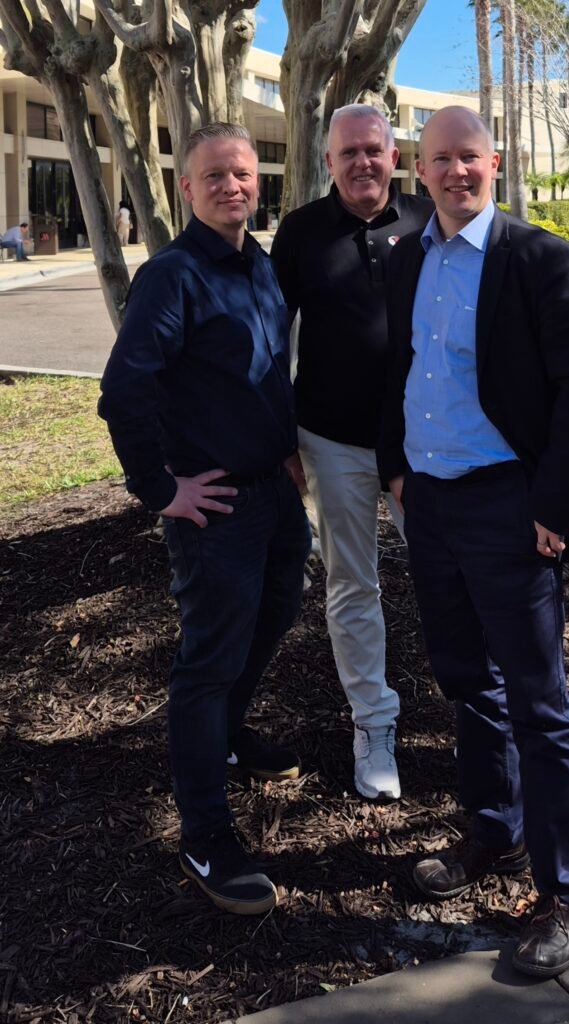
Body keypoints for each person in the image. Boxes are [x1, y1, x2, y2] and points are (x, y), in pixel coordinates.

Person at [378, 106, 569, 977]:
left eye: (468, 157)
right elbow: (396, 367)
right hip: (430, 506)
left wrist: (553, 504)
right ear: (419, 170)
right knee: (465, 682)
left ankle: (565, 890)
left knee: (535, 701)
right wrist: (395, 471)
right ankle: (494, 835)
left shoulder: (537, 257)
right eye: (439, 159)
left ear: (495, 162)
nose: (455, 172)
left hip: (509, 508)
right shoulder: (406, 259)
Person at [99, 123, 311, 916]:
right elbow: (124, 392)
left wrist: (287, 446)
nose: (232, 185)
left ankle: (226, 732)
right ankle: (204, 835)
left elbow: (266, 370)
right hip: (214, 509)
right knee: (208, 662)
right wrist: (160, 491)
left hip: (274, 493)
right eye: (214, 175)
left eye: (243, 173)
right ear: (186, 189)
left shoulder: (261, 264)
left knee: (275, 617)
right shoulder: (172, 276)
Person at [271, 105, 432, 801]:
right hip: (331, 440)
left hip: (424, 444)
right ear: (328, 161)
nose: (362, 162)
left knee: (449, 574)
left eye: (373, 149)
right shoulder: (301, 232)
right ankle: (373, 724)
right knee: (352, 587)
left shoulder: (429, 219)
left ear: (394, 155)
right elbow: (270, 337)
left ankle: (479, 714)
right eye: (348, 152)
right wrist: (282, 437)